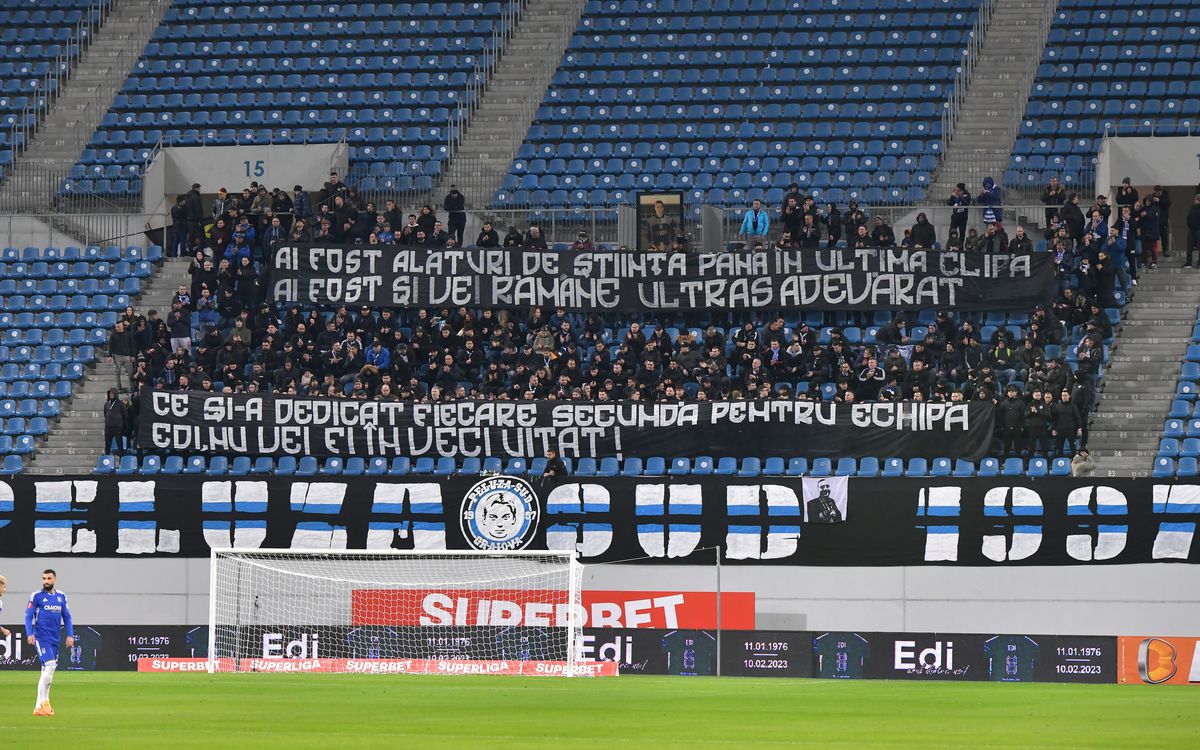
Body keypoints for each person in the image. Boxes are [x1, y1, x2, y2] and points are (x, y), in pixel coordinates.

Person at [26, 569, 74, 717]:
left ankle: (37, 707)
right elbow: (28, 616)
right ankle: (45, 701)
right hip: (41, 637)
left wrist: (70, 635)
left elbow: (67, 617)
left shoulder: (61, 596)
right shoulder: (37, 596)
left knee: (46, 670)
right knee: (51, 665)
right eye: (44, 578)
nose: (46, 581)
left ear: (54, 579)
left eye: (48, 578)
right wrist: (30, 633)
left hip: (55, 638)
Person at [103, 388, 127, 455]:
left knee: (120, 445)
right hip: (108, 427)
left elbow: (125, 414)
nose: (111, 395)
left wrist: (121, 423)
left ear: (116, 394)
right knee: (107, 445)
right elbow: (105, 413)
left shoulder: (120, 403)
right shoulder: (107, 403)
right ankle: (107, 458)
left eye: (112, 393)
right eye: (110, 393)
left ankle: (121, 460)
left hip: (117, 427)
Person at [1186, 194, 1200, 268]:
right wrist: (1189, 225)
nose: (1194, 201)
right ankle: (1188, 263)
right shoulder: (1192, 208)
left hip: (1198, 230)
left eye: (1196, 199)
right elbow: (1188, 217)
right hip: (1191, 230)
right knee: (1189, 247)